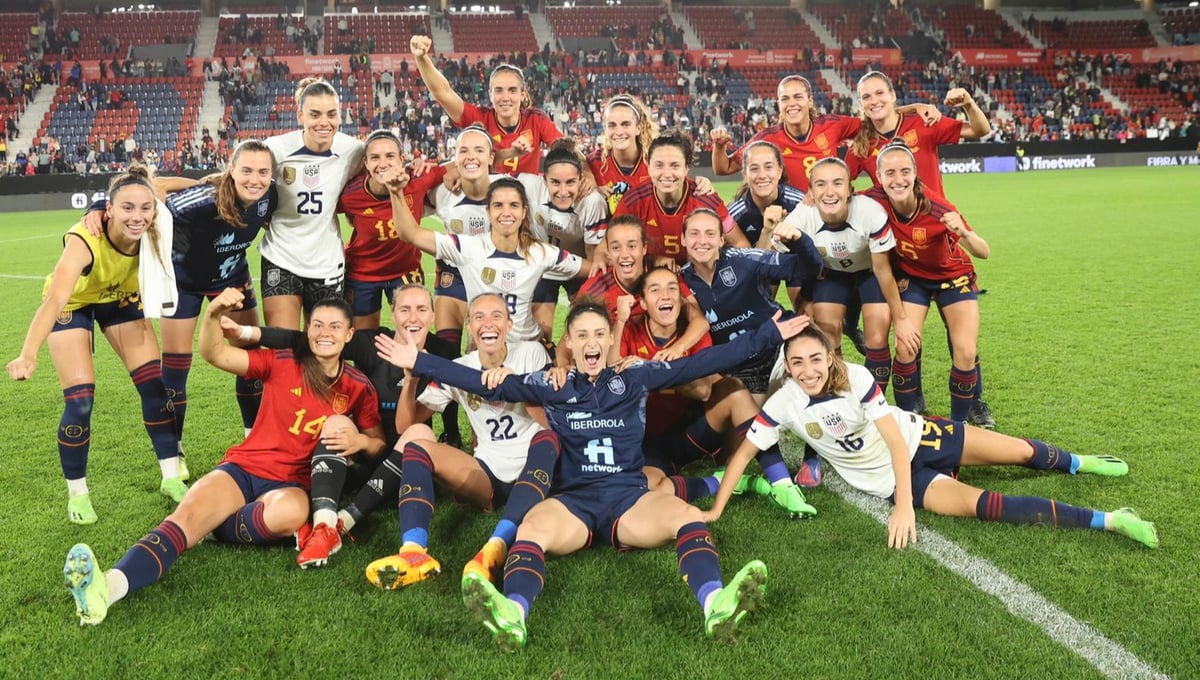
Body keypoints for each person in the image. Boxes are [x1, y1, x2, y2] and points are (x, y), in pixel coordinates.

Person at [374, 297, 816, 647]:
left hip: (629, 500)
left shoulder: (636, 377)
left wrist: (766, 335)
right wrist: (419, 361)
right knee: (531, 529)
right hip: (574, 503)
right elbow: (478, 381)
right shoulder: (552, 384)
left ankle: (715, 603)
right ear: (568, 342)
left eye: (599, 334)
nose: (591, 342)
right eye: (581, 334)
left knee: (685, 516)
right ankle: (513, 614)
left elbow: (700, 364)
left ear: (608, 341)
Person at [61, 289, 385, 625]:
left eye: (334, 327)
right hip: (244, 469)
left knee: (291, 514)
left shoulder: (357, 386)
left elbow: (377, 444)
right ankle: (107, 588)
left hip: (291, 485)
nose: (324, 333)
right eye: (317, 325)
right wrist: (213, 313)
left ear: (349, 334)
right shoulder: (283, 361)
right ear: (308, 330)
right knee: (183, 521)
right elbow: (214, 353)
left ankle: (212, 528)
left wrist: (360, 440)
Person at [705, 325, 1160, 551]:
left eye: (814, 359)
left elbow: (895, 443)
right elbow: (744, 454)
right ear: (788, 366)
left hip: (921, 438)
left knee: (1021, 452)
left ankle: (1080, 462)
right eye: (797, 362)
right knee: (988, 505)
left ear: (829, 358)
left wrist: (903, 507)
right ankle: (1111, 520)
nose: (807, 370)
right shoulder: (784, 403)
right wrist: (715, 510)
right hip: (894, 481)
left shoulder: (857, 378)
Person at [227, 283, 460, 566]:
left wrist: (415, 381)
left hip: (406, 462)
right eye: (405, 309)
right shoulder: (375, 343)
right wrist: (247, 333)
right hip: (358, 457)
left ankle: (345, 520)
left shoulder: (444, 354)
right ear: (393, 313)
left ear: (433, 316)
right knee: (337, 421)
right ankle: (324, 525)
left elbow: (408, 426)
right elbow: (303, 340)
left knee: (421, 433)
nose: (413, 317)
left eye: (422, 309)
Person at [8, 167, 185, 524]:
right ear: (109, 209)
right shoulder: (85, 239)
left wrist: (210, 179)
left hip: (119, 300)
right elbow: (55, 300)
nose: (137, 217)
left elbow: (164, 186)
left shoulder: (157, 225)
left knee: (155, 386)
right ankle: (78, 494)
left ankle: (171, 477)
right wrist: (28, 354)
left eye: (145, 208)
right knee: (81, 400)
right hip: (74, 305)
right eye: (127, 208)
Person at [364, 293, 551, 588]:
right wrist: (411, 380)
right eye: (478, 317)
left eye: (496, 316)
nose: (488, 323)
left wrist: (516, 384)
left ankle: (498, 544)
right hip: (487, 472)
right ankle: (413, 551)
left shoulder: (532, 353)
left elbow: (550, 421)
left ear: (509, 324)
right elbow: (406, 426)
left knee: (548, 437)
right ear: (469, 327)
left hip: (536, 465)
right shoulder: (460, 366)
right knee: (416, 447)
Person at [614, 266, 800, 511]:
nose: (665, 295)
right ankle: (720, 482)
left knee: (733, 389)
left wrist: (654, 370)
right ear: (643, 303)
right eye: (655, 290)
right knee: (644, 490)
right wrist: (620, 322)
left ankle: (783, 484)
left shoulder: (692, 334)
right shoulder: (630, 330)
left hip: (686, 431)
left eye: (672, 288)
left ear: (681, 299)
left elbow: (702, 391)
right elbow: (612, 377)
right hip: (644, 441)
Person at [863, 143, 988, 423]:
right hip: (914, 279)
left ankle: (958, 427)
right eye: (890, 173)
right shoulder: (871, 200)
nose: (898, 180)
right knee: (905, 346)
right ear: (879, 176)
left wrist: (964, 233)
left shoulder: (938, 209)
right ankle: (908, 421)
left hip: (953, 277)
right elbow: (837, 197)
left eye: (905, 171)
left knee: (966, 351)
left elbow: (984, 251)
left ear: (915, 173)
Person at [387, 173, 587, 345]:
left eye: (514, 205)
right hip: (483, 351)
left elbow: (591, 267)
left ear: (524, 212)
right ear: (488, 212)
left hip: (527, 351)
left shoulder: (541, 252)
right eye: (498, 205)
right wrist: (396, 193)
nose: (506, 213)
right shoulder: (467, 248)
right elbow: (410, 234)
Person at [261, 78, 365, 331]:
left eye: (331, 114)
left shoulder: (354, 150)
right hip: (281, 256)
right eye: (315, 114)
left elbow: (385, 167)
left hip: (326, 262)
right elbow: (242, 177)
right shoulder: (275, 149)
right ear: (300, 116)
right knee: (283, 344)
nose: (324, 122)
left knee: (323, 345)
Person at [339, 129, 445, 330]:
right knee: (364, 339)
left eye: (390, 156)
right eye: (375, 157)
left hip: (405, 270)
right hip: (362, 273)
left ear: (402, 159)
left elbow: (457, 168)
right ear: (365, 163)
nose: (383, 164)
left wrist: (430, 165)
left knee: (413, 333)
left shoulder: (418, 178)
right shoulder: (350, 194)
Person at [410, 35, 561, 176]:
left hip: (526, 194)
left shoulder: (536, 119)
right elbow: (443, 92)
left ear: (523, 94)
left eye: (512, 90)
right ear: (490, 95)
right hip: (487, 194)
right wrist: (421, 58)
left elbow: (564, 149)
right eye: (499, 90)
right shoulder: (479, 118)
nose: (505, 98)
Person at [846, 71, 991, 207]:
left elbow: (980, 130)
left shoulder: (923, 120)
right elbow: (840, 183)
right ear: (860, 104)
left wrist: (969, 104)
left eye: (879, 93)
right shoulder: (861, 143)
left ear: (893, 95)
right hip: (894, 224)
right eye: (866, 97)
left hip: (935, 218)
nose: (873, 101)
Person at [579, 215, 709, 359]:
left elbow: (700, 321)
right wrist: (563, 363)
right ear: (608, 253)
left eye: (632, 246)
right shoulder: (594, 291)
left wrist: (677, 349)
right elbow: (572, 337)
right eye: (616, 248)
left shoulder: (664, 275)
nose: (624, 254)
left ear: (644, 247)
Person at [613, 129, 750, 265]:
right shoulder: (633, 201)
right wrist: (653, 260)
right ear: (648, 167)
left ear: (686, 168)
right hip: (649, 275)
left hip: (698, 275)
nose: (667, 174)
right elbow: (610, 248)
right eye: (659, 165)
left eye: (675, 166)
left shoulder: (706, 198)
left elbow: (740, 244)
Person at [518, 139, 608, 340]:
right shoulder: (529, 185)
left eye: (570, 182)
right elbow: (484, 177)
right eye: (555, 182)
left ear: (581, 179)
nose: (563, 191)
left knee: (587, 328)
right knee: (541, 335)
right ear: (544, 179)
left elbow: (593, 259)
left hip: (580, 269)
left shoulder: (592, 202)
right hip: (544, 269)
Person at [588, 94, 657, 214]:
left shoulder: (655, 163)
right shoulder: (594, 162)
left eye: (626, 124)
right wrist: (593, 194)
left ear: (638, 128)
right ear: (605, 129)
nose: (619, 132)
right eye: (612, 125)